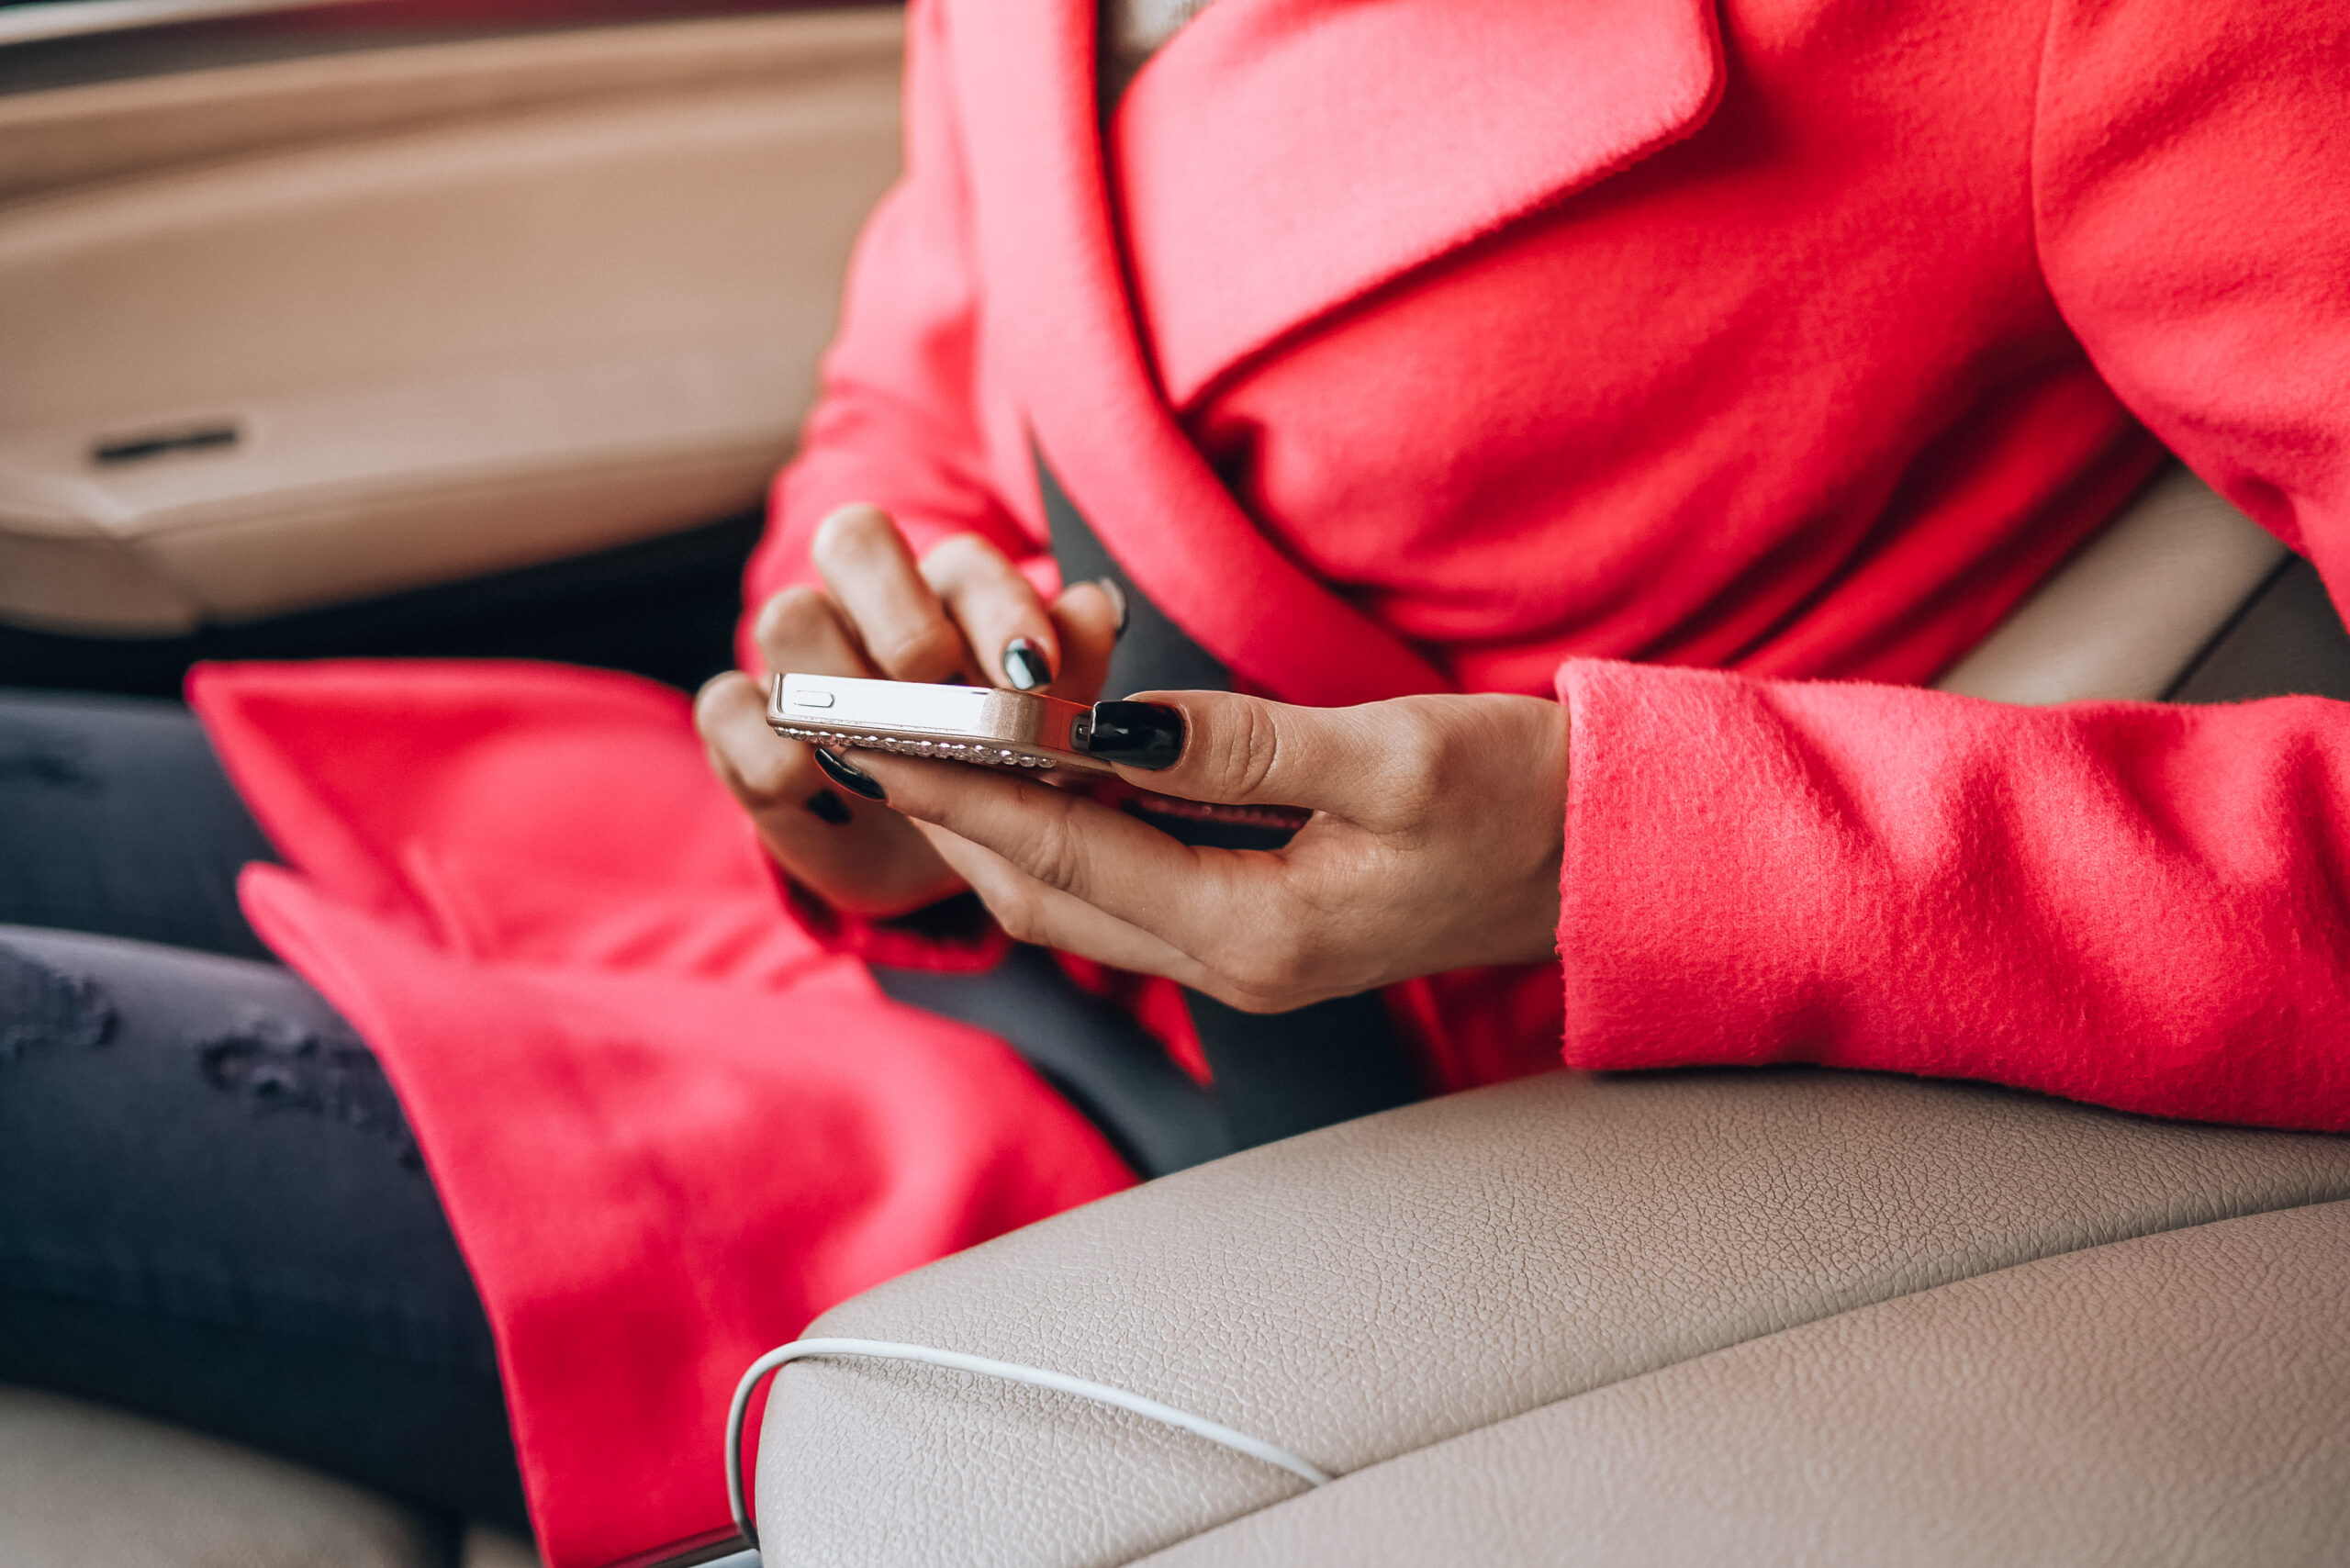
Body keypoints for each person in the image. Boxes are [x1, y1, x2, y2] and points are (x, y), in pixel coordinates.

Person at [6, 0, 2350, 1562]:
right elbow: (920, 390)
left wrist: (1616, 839)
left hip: (1310, 1139)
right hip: (830, 905)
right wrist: (841, 692)